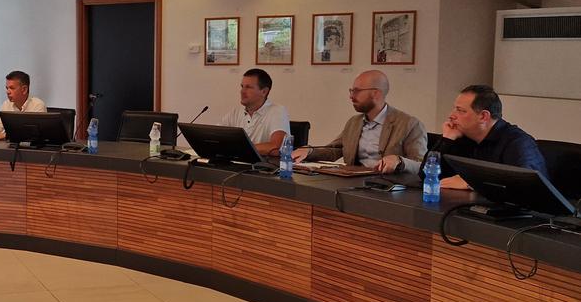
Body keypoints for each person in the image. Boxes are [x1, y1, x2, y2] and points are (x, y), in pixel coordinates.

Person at [291, 70, 427, 174]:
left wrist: (399, 161)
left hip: (388, 187)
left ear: (375, 94)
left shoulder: (409, 124)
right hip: (354, 183)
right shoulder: (354, 122)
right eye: (351, 91)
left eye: (356, 91)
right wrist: (309, 152)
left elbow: (422, 165)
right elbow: (336, 149)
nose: (351, 96)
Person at [438, 84, 547, 189]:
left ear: (483, 116)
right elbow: (430, 175)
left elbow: (528, 186)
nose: (451, 116)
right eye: (455, 109)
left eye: (460, 111)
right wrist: (447, 139)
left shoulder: (519, 142)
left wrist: (472, 183)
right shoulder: (462, 136)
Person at [219, 68, 290, 156]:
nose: (242, 91)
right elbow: (218, 139)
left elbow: (277, 147)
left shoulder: (277, 111)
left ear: (264, 91)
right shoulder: (235, 112)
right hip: (237, 162)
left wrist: (239, 149)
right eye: (242, 86)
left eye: (248, 87)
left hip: (262, 164)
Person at [0, 70, 47, 140]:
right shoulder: (6, 104)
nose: (7, 92)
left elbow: (35, 134)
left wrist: (5, 135)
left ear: (24, 89)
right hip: (9, 146)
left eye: (12, 88)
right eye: (7, 88)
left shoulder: (38, 105)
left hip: (32, 146)